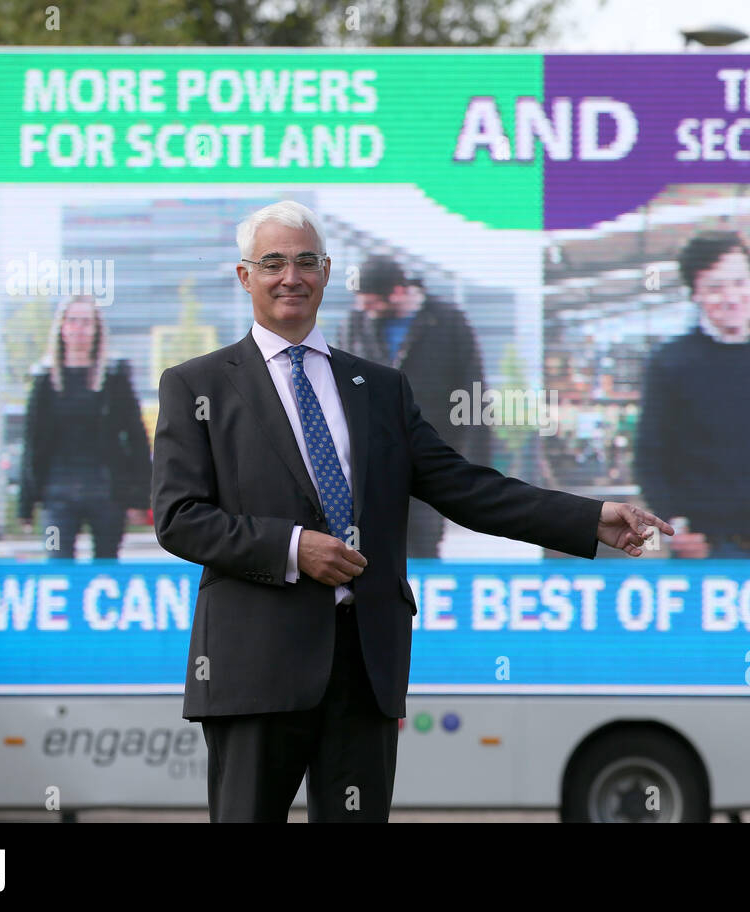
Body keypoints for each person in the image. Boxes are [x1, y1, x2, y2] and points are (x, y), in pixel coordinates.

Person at [150, 200, 672, 822]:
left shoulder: (378, 388)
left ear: (326, 271)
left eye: (306, 262)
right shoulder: (197, 386)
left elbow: (465, 487)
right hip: (254, 669)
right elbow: (179, 517)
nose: (291, 276)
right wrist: (294, 548)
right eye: (273, 262)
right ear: (245, 276)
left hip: (364, 668)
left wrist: (590, 517)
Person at [635, 229, 750, 559]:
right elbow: (649, 456)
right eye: (715, 287)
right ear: (695, 293)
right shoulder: (671, 361)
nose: (731, 297)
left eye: (740, 283)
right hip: (705, 547)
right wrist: (675, 526)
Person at [343, 258, 491, 557]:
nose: (365, 309)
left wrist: (476, 464)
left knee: (423, 542)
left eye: (371, 302)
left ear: (397, 292)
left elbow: (474, 389)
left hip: (429, 456)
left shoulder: (448, 321)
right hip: (371, 458)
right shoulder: (356, 324)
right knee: (372, 545)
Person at [18, 295, 152, 559]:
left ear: (96, 330)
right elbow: (32, 443)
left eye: (86, 322)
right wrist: (26, 504)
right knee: (56, 562)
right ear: (62, 328)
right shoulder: (44, 380)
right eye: (73, 321)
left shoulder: (115, 377)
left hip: (107, 494)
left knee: (106, 565)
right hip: (57, 495)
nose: (79, 328)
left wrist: (139, 498)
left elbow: (137, 438)